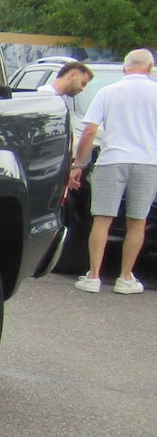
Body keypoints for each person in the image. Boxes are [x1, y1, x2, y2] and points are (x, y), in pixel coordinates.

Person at [68, 48, 157, 294]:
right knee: (138, 221)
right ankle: (125, 277)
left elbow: (89, 131)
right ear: (149, 68)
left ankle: (94, 276)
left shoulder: (108, 92)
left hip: (112, 159)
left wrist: (78, 165)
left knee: (102, 219)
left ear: (125, 68)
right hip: (148, 162)